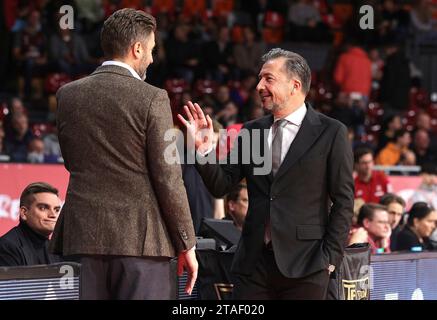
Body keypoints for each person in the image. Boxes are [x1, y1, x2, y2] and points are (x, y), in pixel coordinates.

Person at [178, 48, 354, 299]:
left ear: (295, 85)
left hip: (308, 264)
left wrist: (330, 259)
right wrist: (203, 152)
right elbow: (221, 185)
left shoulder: (331, 132)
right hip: (253, 264)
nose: (259, 85)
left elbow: (344, 201)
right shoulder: (251, 131)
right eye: (260, 78)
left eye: (268, 78)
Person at [50, 9, 197, 300]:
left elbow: (71, 161)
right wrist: (187, 243)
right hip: (142, 244)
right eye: (151, 50)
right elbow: (168, 177)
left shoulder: (66, 95)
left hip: (83, 238)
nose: (153, 59)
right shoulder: (153, 97)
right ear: (137, 49)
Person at [0, 182, 62, 266]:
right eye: (43, 208)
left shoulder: (55, 249)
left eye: (56, 210)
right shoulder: (7, 246)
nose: (53, 215)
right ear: (24, 213)